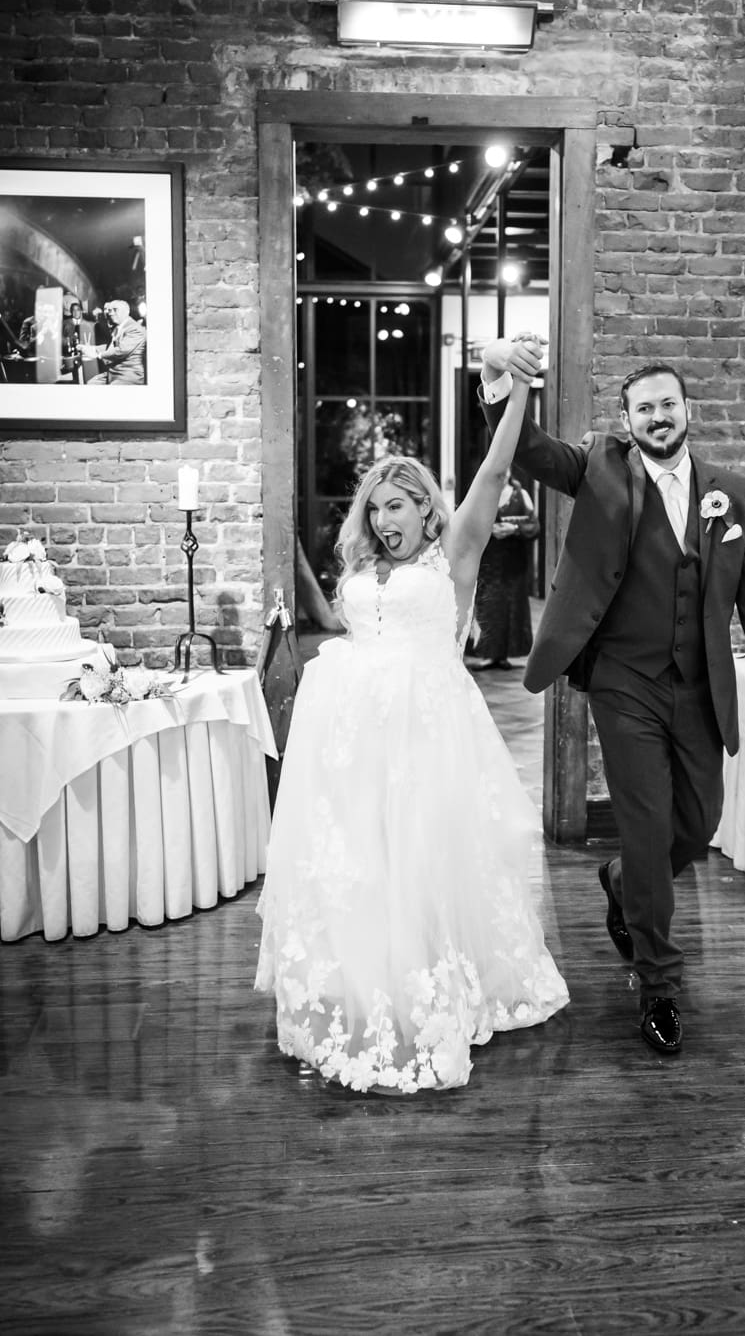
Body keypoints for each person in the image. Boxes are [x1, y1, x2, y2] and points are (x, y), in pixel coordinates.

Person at [255, 362, 568, 1094]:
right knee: (360, 858)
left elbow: (494, 471)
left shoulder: (453, 555)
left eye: (399, 507)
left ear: (428, 511)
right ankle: (365, 976)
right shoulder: (363, 571)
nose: (385, 521)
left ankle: (431, 981)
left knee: (425, 857)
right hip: (352, 734)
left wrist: (517, 392)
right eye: (376, 510)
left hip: (428, 733)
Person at [479, 339, 745, 1057]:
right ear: (626, 420)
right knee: (650, 830)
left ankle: (622, 882)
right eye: (644, 407)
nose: (658, 416)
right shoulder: (597, 467)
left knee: (699, 821)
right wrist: (500, 375)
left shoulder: (732, 494)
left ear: (689, 412)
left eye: (668, 404)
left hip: (700, 686)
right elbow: (525, 446)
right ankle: (658, 981)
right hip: (624, 684)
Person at [470, 468, 539, 670]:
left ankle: (505, 654)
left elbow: (534, 526)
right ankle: (487, 653)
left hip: (513, 561)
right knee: (488, 605)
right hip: (489, 559)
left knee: (511, 605)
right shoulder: (482, 495)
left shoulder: (521, 495)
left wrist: (515, 529)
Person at [81, 299, 147, 385]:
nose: (110, 313)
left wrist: (98, 355)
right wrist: (91, 348)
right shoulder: (119, 327)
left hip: (128, 375)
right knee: (90, 383)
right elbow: (111, 347)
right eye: (110, 310)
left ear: (126, 312)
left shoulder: (135, 329)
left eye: (115, 310)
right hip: (113, 373)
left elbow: (121, 350)